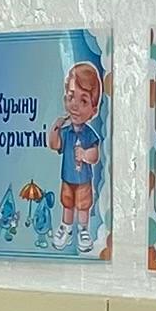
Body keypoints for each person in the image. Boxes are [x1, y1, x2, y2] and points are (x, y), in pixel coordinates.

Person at [51, 61, 105, 244]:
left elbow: (95, 155)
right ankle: (65, 227)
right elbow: (54, 145)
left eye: (83, 101)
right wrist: (55, 128)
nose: (75, 105)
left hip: (83, 180)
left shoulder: (89, 133)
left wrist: (84, 155)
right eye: (71, 97)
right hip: (67, 178)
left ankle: (83, 229)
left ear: (93, 111)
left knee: (83, 205)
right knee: (67, 203)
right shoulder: (66, 132)